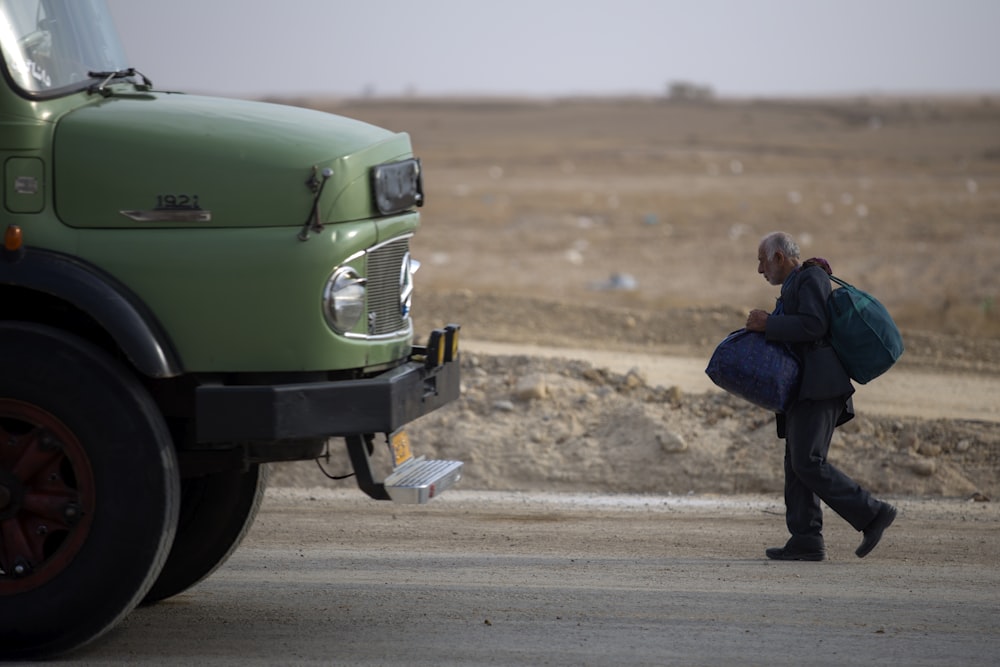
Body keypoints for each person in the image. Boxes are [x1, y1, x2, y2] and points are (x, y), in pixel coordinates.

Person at [745, 231, 896, 560]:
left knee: (807, 461)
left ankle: (873, 513)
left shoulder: (810, 277)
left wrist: (769, 324)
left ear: (779, 258)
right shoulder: (795, 284)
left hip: (821, 386)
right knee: (795, 464)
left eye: (762, 261)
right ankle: (806, 539)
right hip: (805, 388)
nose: (760, 270)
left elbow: (814, 326)